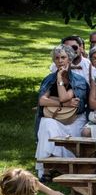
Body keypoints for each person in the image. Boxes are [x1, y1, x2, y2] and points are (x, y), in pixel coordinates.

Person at [36, 44, 89, 180]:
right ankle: (48, 168)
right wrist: (63, 103)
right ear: (54, 61)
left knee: (52, 124)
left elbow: (65, 96)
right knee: (46, 123)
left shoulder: (79, 81)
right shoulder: (49, 79)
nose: (60, 61)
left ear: (70, 60)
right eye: (57, 58)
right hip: (55, 117)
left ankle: (61, 167)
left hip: (75, 119)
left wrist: (60, 80)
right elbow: (42, 101)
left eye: (63, 57)